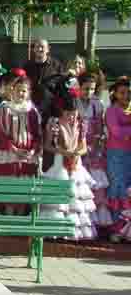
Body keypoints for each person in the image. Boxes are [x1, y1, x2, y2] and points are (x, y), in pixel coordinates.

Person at [42, 90, 97, 239]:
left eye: (74, 113)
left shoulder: (80, 125)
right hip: (60, 162)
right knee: (58, 197)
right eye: (68, 113)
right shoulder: (55, 123)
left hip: (75, 163)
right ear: (61, 111)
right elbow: (47, 146)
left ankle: (73, 231)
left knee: (75, 197)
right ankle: (55, 230)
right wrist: (63, 152)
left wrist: (77, 153)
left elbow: (84, 146)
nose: (71, 117)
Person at [75, 72, 113, 231]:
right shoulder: (74, 102)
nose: (88, 92)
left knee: (96, 184)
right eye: (85, 89)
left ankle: (97, 224)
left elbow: (102, 126)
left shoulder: (98, 104)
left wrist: (98, 141)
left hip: (95, 148)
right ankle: (82, 225)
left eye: (91, 89)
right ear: (78, 88)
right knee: (81, 183)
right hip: (78, 145)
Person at [105, 77, 131, 242]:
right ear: (115, 93)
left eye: (128, 93)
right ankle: (115, 229)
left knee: (128, 191)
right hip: (116, 155)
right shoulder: (111, 111)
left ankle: (127, 230)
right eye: (122, 92)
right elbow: (116, 132)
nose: (126, 96)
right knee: (117, 189)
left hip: (129, 155)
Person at [22, 38, 64, 118]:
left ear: (48, 49)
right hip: (31, 106)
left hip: (51, 109)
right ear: (34, 49)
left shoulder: (57, 65)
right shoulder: (27, 66)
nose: (39, 49)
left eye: (42, 47)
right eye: (37, 47)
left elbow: (61, 85)